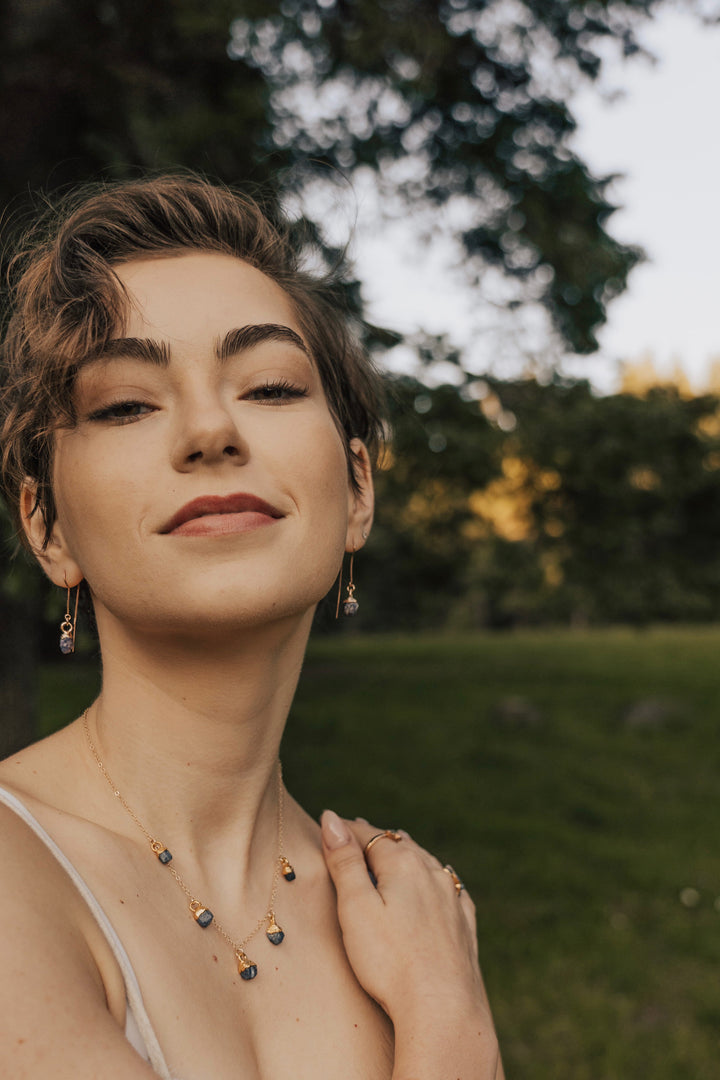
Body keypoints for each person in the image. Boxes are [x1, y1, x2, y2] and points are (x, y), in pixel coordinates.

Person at [0, 174, 503, 1079]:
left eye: (268, 386)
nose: (209, 430)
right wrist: (451, 1025)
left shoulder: (400, 916)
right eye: (125, 404)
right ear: (46, 526)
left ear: (357, 491)